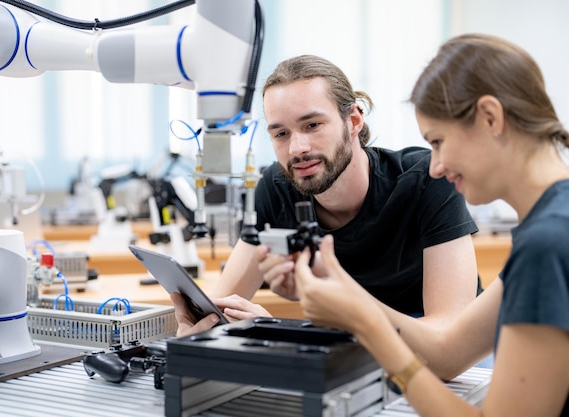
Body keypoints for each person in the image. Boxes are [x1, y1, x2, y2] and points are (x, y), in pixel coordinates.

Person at [293, 33, 569, 416]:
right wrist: (352, 299)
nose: (435, 165)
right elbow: (448, 353)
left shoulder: (548, 243)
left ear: (491, 117)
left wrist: (368, 326)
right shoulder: (553, 224)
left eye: (438, 141)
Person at [173, 54, 481, 337]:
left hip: (433, 349)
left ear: (354, 121)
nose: (297, 149)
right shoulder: (276, 188)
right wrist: (198, 329)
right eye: (281, 133)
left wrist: (284, 332)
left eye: (313, 125)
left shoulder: (427, 178)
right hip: (351, 346)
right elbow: (220, 308)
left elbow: (448, 332)